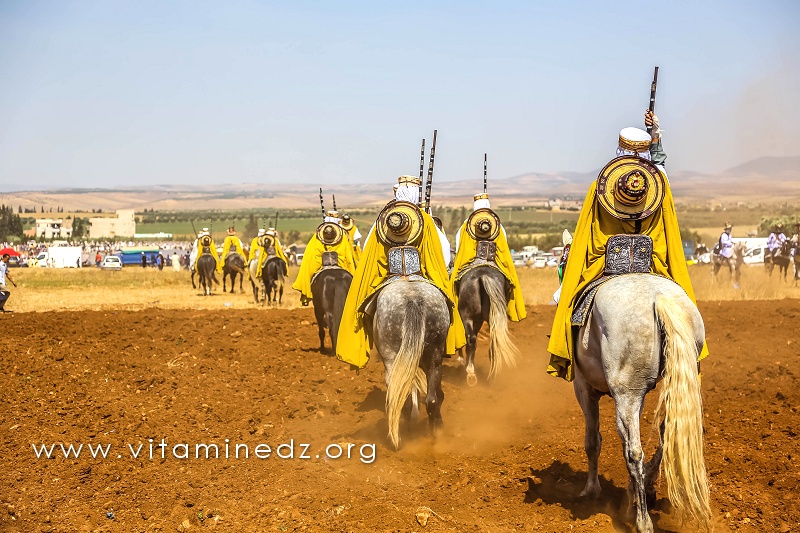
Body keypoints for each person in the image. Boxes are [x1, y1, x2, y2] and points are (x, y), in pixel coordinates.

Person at [546, 110, 706, 381]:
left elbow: (587, 234)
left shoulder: (601, 185)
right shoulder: (660, 185)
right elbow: (660, 168)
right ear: (645, 152)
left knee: (569, 301)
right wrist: (656, 137)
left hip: (603, 266)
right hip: (654, 264)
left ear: (618, 149)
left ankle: (569, 354)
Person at [336, 175, 461, 369]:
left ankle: (364, 343)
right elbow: (444, 255)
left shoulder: (382, 221)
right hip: (423, 277)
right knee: (448, 307)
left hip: (390, 279)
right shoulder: (426, 221)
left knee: (364, 314)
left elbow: (369, 253)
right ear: (415, 194)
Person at [450, 192, 526, 327]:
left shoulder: (464, 226)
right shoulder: (498, 226)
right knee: (509, 285)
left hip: (470, 264)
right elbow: (504, 247)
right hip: (493, 263)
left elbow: (459, 249)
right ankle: (507, 310)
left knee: (454, 288)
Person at [292, 216, 356, 306]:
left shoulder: (316, 238)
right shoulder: (343, 237)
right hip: (341, 264)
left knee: (309, 272)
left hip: (320, 265)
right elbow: (348, 257)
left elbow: (310, 256)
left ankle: (307, 292)